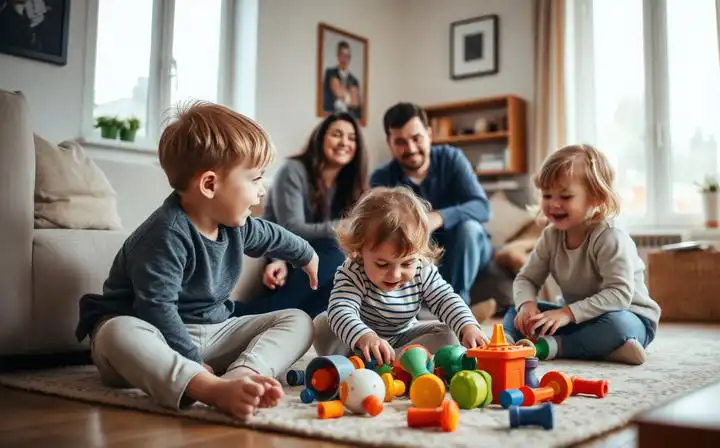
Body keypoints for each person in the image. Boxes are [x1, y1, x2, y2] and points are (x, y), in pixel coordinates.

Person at [74, 102, 320, 421]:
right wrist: (191, 361)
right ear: (209, 184)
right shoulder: (165, 234)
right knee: (115, 332)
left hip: (213, 332)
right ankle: (205, 387)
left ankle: (242, 374)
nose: (262, 191)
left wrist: (307, 255)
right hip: (152, 337)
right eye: (255, 178)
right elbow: (158, 308)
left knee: (299, 320)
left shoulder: (235, 225)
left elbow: (271, 235)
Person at [503, 144, 661, 365]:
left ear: (597, 198)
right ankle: (506, 346)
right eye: (547, 195)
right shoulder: (550, 236)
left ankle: (552, 346)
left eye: (565, 197)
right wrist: (527, 305)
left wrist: (567, 313)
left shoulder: (610, 237)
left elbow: (619, 294)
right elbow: (527, 278)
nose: (554, 204)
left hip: (628, 316)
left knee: (617, 327)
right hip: (577, 317)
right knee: (514, 312)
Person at [313, 186, 489, 364]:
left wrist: (468, 327)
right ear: (360, 251)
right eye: (382, 264)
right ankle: (371, 358)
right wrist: (364, 336)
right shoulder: (353, 271)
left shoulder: (422, 269)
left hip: (404, 337)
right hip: (359, 340)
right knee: (323, 323)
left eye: (406, 263)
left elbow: (445, 299)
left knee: (449, 334)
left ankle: (392, 360)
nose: (395, 274)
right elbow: (342, 308)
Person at [236, 112, 368, 318]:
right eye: (337, 134)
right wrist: (345, 225)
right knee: (335, 247)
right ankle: (252, 313)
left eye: (351, 138)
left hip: (320, 263)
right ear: (320, 137)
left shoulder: (348, 184)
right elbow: (293, 228)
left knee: (348, 261)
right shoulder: (293, 171)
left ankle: (304, 320)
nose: (344, 142)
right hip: (285, 254)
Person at [370, 102, 495, 321]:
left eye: (416, 138)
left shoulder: (452, 159)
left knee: (469, 228)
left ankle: (459, 310)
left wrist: (438, 217)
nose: (410, 148)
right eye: (400, 142)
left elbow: (482, 207)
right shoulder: (381, 178)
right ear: (390, 143)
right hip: (418, 254)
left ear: (429, 134)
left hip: (468, 247)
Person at [322, 40, 362, 121]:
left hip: (349, 120)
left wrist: (344, 95)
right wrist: (349, 94)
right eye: (342, 55)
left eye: (347, 56)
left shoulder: (354, 80)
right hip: (332, 118)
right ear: (338, 56)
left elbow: (356, 104)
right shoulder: (330, 73)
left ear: (350, 58)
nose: (344, 59)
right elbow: (338, 93)